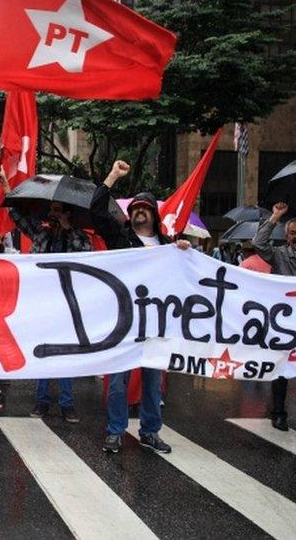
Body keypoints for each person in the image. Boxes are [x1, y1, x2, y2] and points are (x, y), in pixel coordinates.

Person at [90, 160, 179, 455]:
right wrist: (113, 175)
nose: (140, 211)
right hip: (125, 320)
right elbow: (97, 210)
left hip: (155, 321)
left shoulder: (169, 244)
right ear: (130, 215)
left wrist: (186, 254)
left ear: (154, 214)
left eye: (146, 208)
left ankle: (150, 431)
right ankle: (115, 431)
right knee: (118, 381)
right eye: (136, 208)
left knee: (153, 383)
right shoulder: (121, 238)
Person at [10, 193, 93, 424]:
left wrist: (69, 229)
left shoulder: (80, 237)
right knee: (44, 351)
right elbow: (16, 215)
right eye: (51, 210)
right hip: (44, 304)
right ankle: (42, 401)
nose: (52, 214)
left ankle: (67, 404)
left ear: (68, 213)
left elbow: (88, 254)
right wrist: (9, 188)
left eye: (57, 210)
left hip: (68, 303)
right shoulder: (41, 234)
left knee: (65, 353)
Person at [252, 203, 296, 432]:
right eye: (293, 233)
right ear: (286, 237)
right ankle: (278, 413)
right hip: (284, 322)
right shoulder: (278, 255)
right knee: (282, 370)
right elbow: (258, 243)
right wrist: (274, 218)